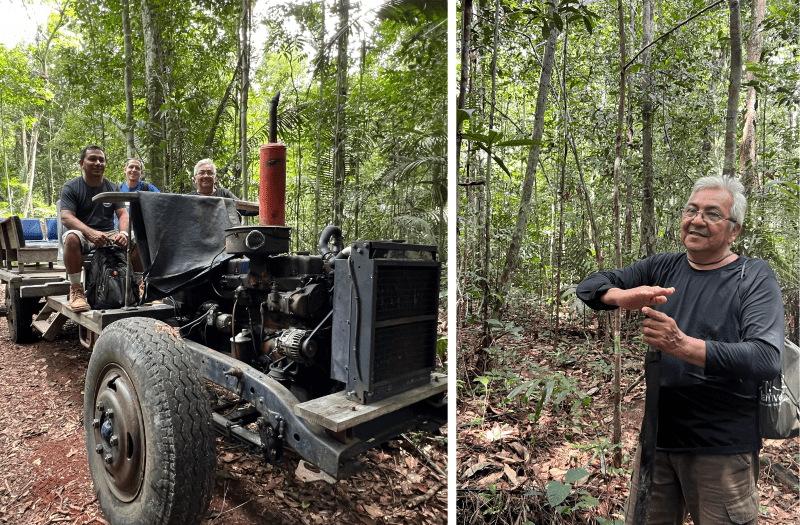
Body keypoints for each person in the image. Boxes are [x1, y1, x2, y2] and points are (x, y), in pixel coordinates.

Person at [576, 176, 783, 525]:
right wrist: (621, 297)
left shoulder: (754, 277)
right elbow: (588, 287)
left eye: (712, 214)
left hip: (722, 447)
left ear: (734, 231)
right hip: (657, 440)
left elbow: (766, 358)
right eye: (692, 210)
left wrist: (682, 345)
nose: (698, 220)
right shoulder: (663, 267)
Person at [60, 146, 145, 311]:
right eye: (92, 159)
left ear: (105, 164)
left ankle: (139, 286)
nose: (98, 163)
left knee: (139, 237)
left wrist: (124, 233)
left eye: (101, 160)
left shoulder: (112, 187)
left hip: (109, 232)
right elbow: (66, 217)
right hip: (83, 233)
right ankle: (77, 290)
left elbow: (123, 215)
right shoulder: (71, 187)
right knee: (70, 237)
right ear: (82, 163)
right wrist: (90, 233)